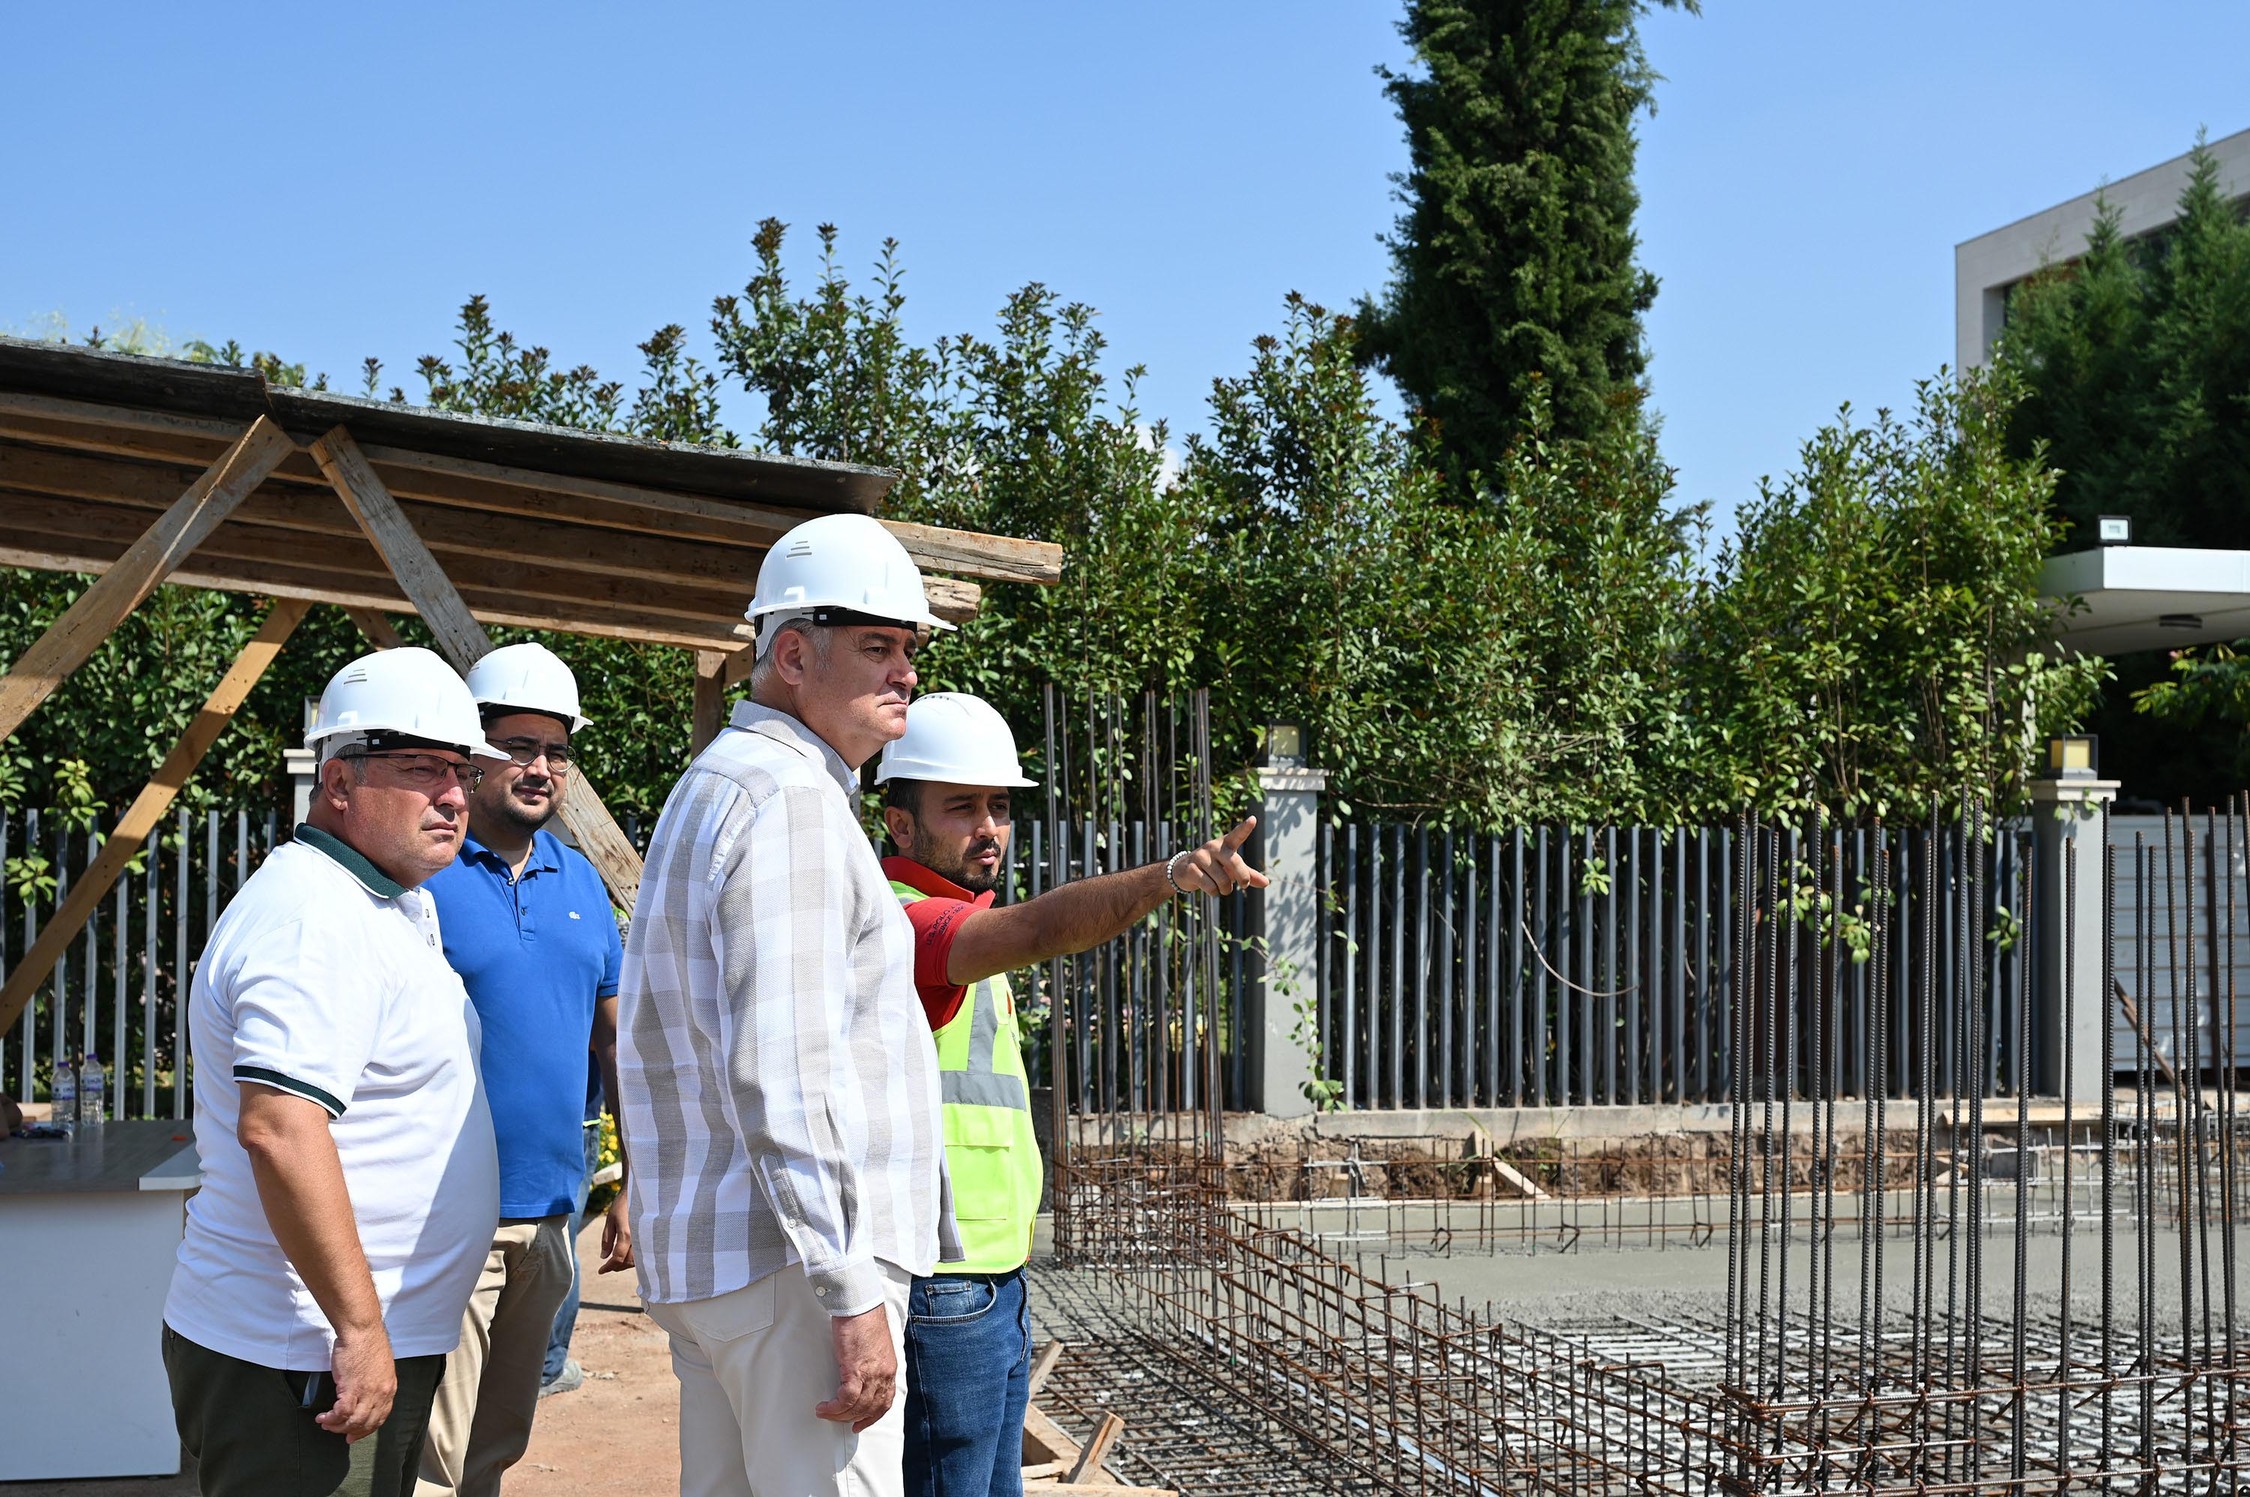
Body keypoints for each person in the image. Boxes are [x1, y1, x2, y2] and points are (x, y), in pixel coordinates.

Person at [619, 512, 962, 1497]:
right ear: (794, 653)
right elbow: (787, 1069)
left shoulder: (719, 783)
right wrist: (847, 1288)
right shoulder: (793, 803)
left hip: (726, 1261)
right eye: (877, 646)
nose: (905, 673)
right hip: (794, 1278)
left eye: (908, 650)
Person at [875, 693, 1264, 1497]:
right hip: (941, 1279)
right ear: (901, 824)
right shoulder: (904, 924)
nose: (989, 825)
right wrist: (1166, 877)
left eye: (1000, 805)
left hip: (991, 1273)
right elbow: (1040, 930)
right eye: (961, 806)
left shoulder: (952, 917)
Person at [161, 647, 501, 1497]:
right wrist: (357, 1326)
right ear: (339, 781)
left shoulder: (381, 900)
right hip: (303, 1357)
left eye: (460, 770)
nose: (454, 794)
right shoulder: (314, 917)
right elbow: (280, 1128)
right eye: (422, 767)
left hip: (332, 1346)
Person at [415, 642, 631, 1497]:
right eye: (520, 746)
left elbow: (616, 1043)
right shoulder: (423, 876)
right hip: (448, 1211)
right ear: (469, 754)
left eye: (557, 751)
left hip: (552, 1211)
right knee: (435, 1447)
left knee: (498, 1439)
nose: (540, 767)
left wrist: (634, 1184)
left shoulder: (579, 881)